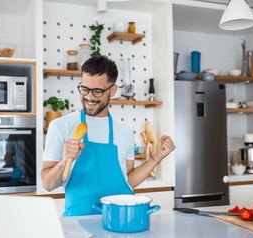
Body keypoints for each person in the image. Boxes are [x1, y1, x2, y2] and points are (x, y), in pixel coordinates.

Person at [41, 55, 175, 216]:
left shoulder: (124, 131)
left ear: (112, 90)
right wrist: (64, 161)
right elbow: (48, 184)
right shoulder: (61, 126)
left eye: (97, 91)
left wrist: (156, 158)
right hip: (79, 221)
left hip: (121, 219)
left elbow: (128, 180)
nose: (89, 97)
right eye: (84, 89)